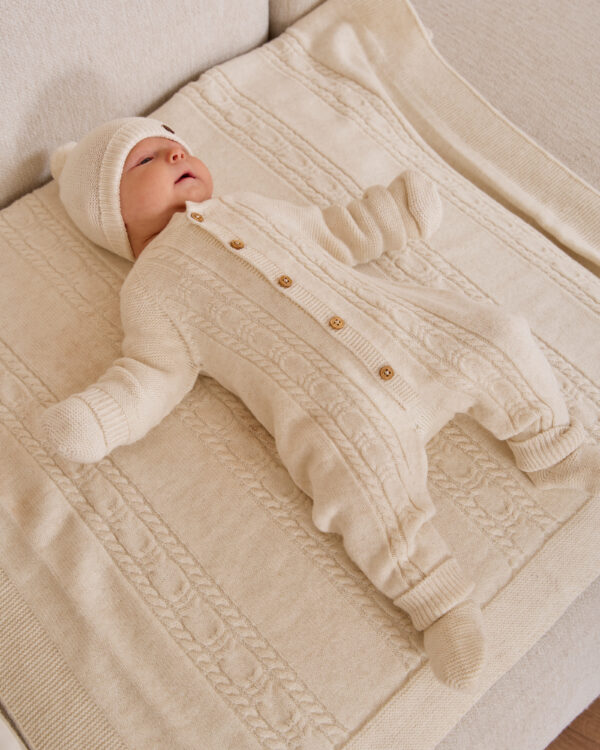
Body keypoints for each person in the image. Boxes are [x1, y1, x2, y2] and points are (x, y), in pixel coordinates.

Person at [41, 117, 600, 691]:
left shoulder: (251, 208)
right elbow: (151, 374)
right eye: (146, 160)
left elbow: (337, 229)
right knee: (362, 495)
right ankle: (439, 600)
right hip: (338, 413)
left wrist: (392, 215)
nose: (175, 155)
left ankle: (554, 446)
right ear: (111, 213)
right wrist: (100, 417)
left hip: (404, 330)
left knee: (496, 336)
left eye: (176, 146)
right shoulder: (150, 290)